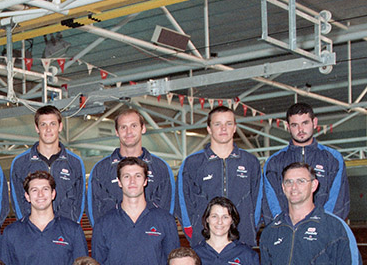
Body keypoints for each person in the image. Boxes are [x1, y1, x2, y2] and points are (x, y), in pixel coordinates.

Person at [91, 157, 180, 265]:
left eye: (138, 176)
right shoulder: (104, 223)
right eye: (126, 176)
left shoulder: (165, 220)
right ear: (119, 182)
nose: (132, 181)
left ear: (146, 181)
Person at [177, 106, 262, 248]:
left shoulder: (250, 162)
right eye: (217, 124)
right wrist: (195, 233)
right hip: (204, 242)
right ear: (209, 129)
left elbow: (258, 201)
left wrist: (250, 229)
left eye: (228, 124)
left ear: (234, 127)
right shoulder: (192, 163)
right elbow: (183, 204)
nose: (223, 128)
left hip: (242, 241)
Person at [262, 102, 349, 222]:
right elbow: (270, 202)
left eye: (305, 123)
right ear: (288, 126)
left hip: (323, 232)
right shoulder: (274, 162)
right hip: (287, 233)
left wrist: (324, 227)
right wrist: (282, 228)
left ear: (315, 122)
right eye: (294, 125)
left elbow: (338, 200)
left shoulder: (332, 159)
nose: (300, 129)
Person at [87, 107, 174, 226]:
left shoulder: (161, 168)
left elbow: (167, 210)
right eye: (123, 127)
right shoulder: (100, 169)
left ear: (143, 128)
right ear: (117, 132)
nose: (128, 132)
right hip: (114, 240)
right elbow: (95, 214)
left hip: (152, 238)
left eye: (133, 126)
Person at [10, 105, 86, 223]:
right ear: (37, 128)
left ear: (60, 126)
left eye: (53, 124)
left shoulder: (75, 162)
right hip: (32, 233)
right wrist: (27, 228)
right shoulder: (20, 163)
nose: (48, 129)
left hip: (65, 232)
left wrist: (71, 229)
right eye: (43, 124)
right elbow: (18, 201)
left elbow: (79, 201)